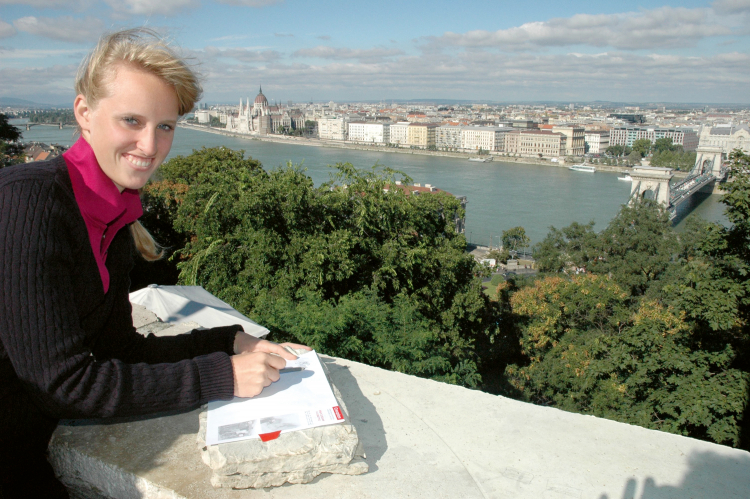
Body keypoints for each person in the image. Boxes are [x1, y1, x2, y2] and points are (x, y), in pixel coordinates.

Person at [0, 28, 309, 498]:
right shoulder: (30, 202)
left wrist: (229, 340)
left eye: (165, 126)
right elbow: (63, 384)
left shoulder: (113, 220)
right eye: (131, 120)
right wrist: (222, 376)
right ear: (84, 112)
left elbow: (118, 349)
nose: (150, 145)